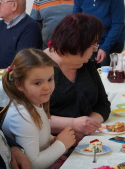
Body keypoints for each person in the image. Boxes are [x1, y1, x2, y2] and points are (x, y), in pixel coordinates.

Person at [2, 48, 76, 169]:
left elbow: (40, 137)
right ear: (19, 84)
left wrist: (54, 139)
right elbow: (32, 165)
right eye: (37, 83)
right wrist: (62, 144)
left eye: (50, 79)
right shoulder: (22, 116)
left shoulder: (35, 102)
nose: (47, 87)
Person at [45, 13, 111, 142]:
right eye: (93, 45)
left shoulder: (86, 64)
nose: (95, 50)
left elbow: (103, 104)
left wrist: (87, 125)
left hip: (84, 140)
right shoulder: (38, 67)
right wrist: (73, 125)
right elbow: (31, 119)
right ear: (77, 45)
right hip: (49, 144)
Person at [73, 0, 125, 67]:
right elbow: (76, 19)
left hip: (111, 41)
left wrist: (105, 48)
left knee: (105, 74)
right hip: (88, 42)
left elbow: (118, 24)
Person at [0, 0, 42, 69]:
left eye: (1, 2)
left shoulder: (30, 28)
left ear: (14, 5)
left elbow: (23, 64)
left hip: (11, 79)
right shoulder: (1, 24)